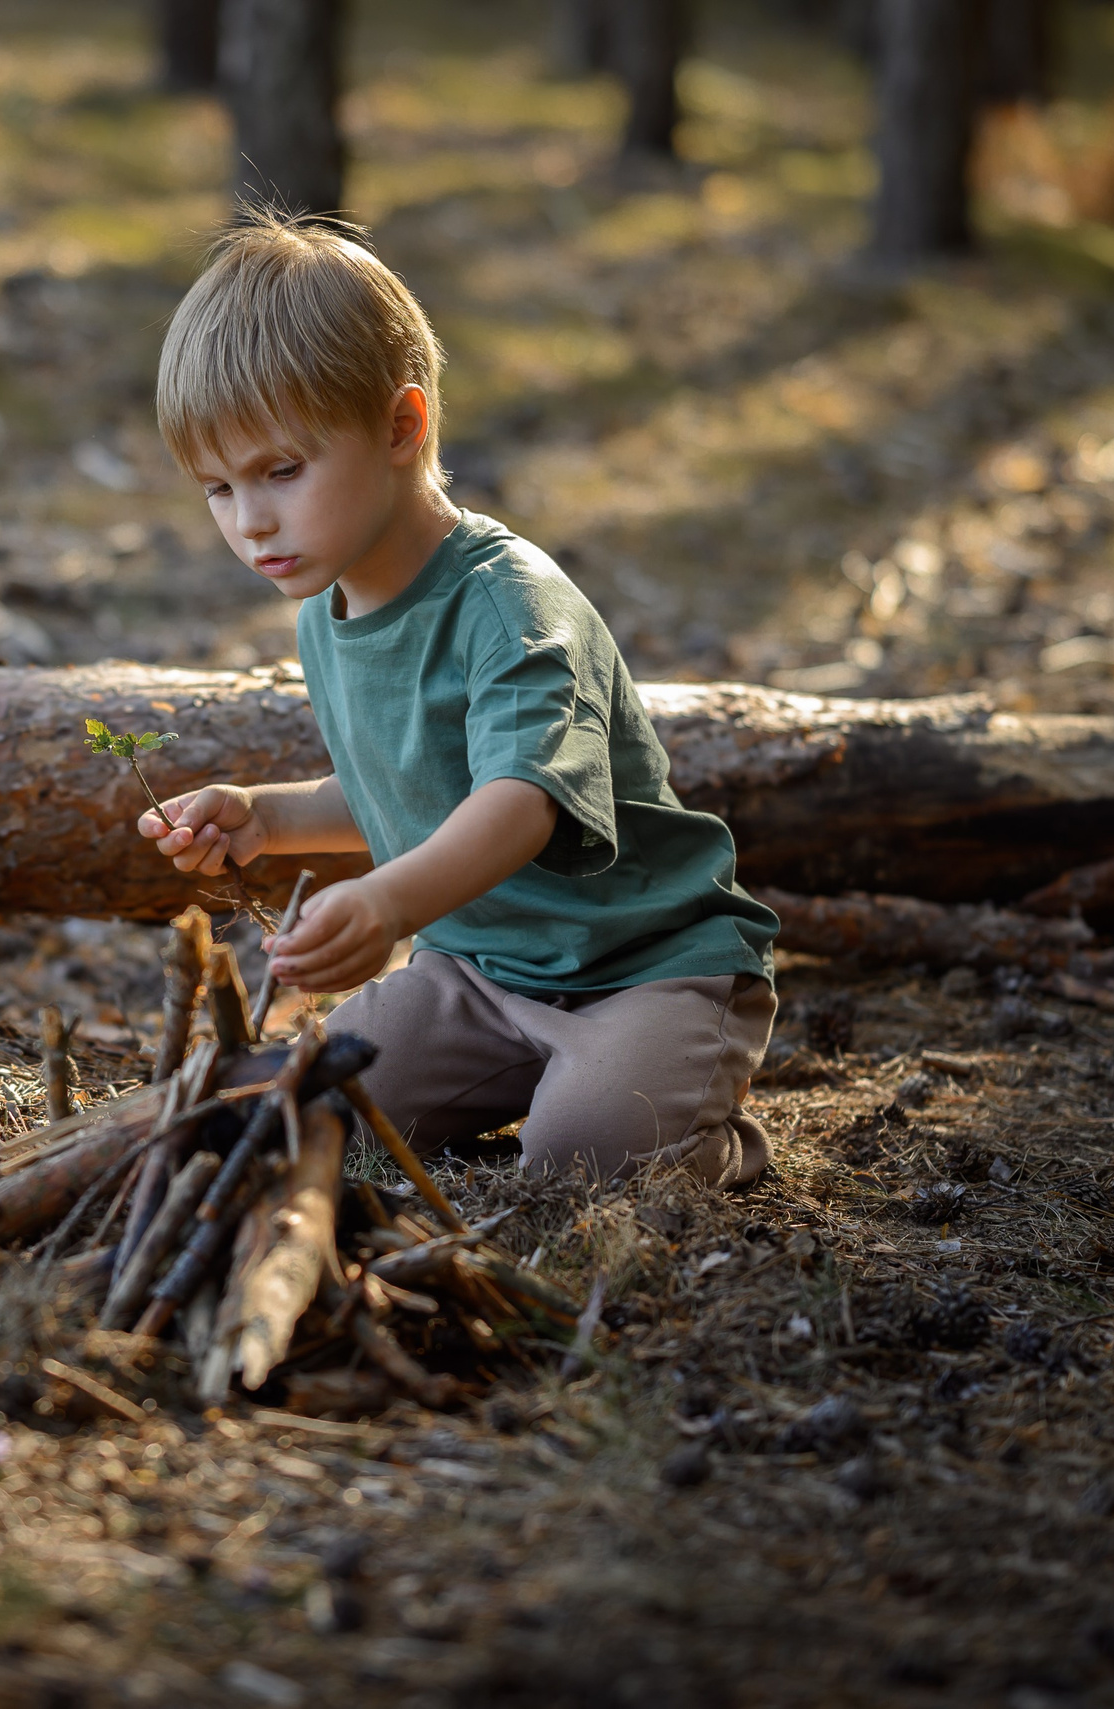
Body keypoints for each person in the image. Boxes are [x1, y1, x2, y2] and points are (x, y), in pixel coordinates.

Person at [136, 207, 781, 1186]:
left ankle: (699, 1127)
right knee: (314, 1103)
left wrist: (388, 903)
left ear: (401, 426)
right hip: (478, 975)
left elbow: (517, 804)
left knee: (582, 1155)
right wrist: (267, 817)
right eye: (218, 488)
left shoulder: (510, 603)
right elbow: (407, 786)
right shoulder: (326, 612)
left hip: (644, 965)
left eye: (281, 470)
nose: (251, 521)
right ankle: (544, 1085)